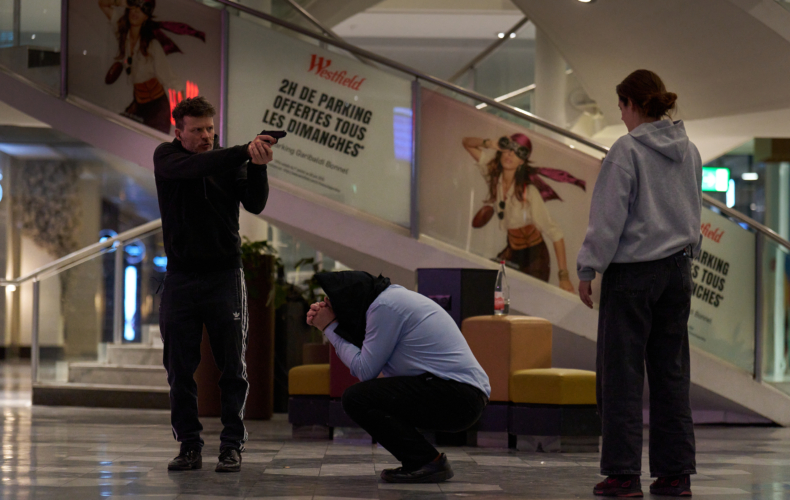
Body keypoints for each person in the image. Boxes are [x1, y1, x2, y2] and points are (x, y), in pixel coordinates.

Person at [576, 69, 701, 497]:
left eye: (621, 106)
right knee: (672, 375)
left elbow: (607, 217)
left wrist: (588, 267)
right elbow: (694, 210)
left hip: (632, 274)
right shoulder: (689, 150)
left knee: (622, 376)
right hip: (678, 271)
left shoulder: (626, 150)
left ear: (633, 104)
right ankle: (675, 475)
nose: (621, 116)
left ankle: (623, 475)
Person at [154, 96, 275, 473]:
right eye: (197, 130)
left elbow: (255, 204)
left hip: (224, 276)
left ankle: (231, 445)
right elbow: (196, 167)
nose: (206, 136)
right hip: (180, 277)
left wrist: (257, 167)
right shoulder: (167, 157)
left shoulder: (228, 161)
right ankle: (189, 445)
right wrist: (244, 151)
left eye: (210, 128)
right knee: (179, 368)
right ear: (179, 132)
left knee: (232, 367)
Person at [306, 271, 490, 484]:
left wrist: (329, 327)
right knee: (367, 397)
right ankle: (426, 460)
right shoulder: (386, 300)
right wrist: (334, 324)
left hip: (459, 396)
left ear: (349, 297)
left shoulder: (384, 307)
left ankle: (425, 461)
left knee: (357, 398)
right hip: (459, 394)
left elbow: (364, 370)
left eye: (333, 299)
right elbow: (365, 353)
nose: (327, 303)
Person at [462, 133, 585, 292]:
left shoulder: (529, 192)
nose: (510, 154)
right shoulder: (493, 175)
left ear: (522, 161)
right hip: (512, 251)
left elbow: (555, 233)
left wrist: (564, 278)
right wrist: (490, 143)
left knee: (527, 298)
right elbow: (467, 142)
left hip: (535, 258)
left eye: (518, 152)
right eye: (508, 149)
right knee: (487, 289)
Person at [99, 0, 205, 133]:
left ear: (147, 16)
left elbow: (173, 81)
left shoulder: (151, 46)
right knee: (117, 130)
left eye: (143, 9)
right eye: (134, 6)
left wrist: (184, 119)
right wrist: (125, 2)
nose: (136, 11)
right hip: (138, 103)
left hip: (157, 109)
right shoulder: (123, 34)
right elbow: (103, 4)